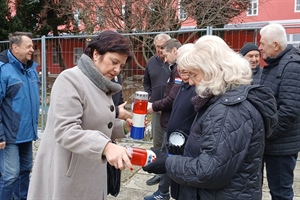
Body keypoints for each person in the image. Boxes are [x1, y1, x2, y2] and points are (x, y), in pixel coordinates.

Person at [143, 35, 278, 200]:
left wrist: (168, 163)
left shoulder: (228, 111)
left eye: (194, 74)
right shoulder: (223, 100)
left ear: (211, 71)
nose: (191, 82)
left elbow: (209, 171)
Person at [27, 30, 134, 200]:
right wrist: (106, 147)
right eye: (114, 62)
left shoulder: (100, 82)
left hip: (90, 169)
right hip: (68, 172)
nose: (117, 70)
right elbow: (66, 131)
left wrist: (123, 127)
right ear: (96, 54)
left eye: (121, 66)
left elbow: (96, 124)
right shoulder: (70, 79)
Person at [144, 43, 197, 200]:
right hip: (171, 127)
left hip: (181, 136)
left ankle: (163, 193)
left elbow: (173, 100)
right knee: (166, 156)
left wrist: (155, 106)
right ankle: (165, 190)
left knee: (172, 160)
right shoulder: (181, 77)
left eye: (184, 65)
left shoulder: (191, 83)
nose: (180, 69)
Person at [258, 23, 300, 200]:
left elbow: (289, 111)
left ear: (275, 45)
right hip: (272, 142)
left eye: (262, 43)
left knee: (281, 192)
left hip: (281, 145)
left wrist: (265, 133)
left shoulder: (291, 66)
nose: (259, 47)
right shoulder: (275, 64)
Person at [0, 32, 40, 200]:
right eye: (28, 46)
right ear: (15, 48)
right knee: (10, 175)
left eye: (32, 46)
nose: (32, 49)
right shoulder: (3, 70)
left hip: (27, 134)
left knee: (25, 171)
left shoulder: (30, 70)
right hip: (9, 136)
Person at [143, 33, 171, 185]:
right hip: (155, 109)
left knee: (168, 143)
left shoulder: (174, 62)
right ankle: (158, 173)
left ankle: (168, 175)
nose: (160, 50)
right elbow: (146, 82)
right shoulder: (151, 62)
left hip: (170, 109)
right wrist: (149, 95)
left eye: (163, 47)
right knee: (157, 142)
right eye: (158, 47)